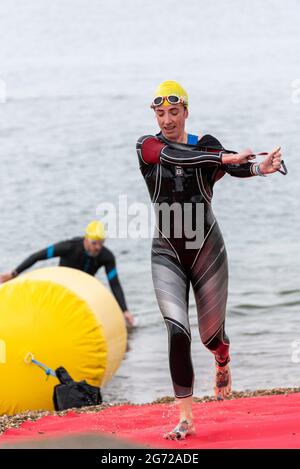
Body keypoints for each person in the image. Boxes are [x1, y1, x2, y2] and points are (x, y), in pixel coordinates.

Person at [136, 80, 282, 439]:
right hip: (166, 252)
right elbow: (176, 156)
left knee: (210, 335)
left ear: (186, 111)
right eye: (160, 113)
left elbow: (232, 164)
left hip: (207, 250)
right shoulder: (148, 146)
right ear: (154, 115)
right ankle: (185, 418)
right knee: (176, 330)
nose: (167, 119)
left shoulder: (207, 145)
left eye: (174, 111)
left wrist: (257, 169)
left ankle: (222, 356)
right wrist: (223, 158)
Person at [0, 220, 134, 327]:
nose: (98, 247)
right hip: (62, 289)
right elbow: (37, 256)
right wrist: (14, 273)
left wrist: (125, 310)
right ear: (86, 239)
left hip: (82, 292)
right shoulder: (69, 247)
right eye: (94, 243)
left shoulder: (106, 256)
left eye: (101, 243)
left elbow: (114, 284)